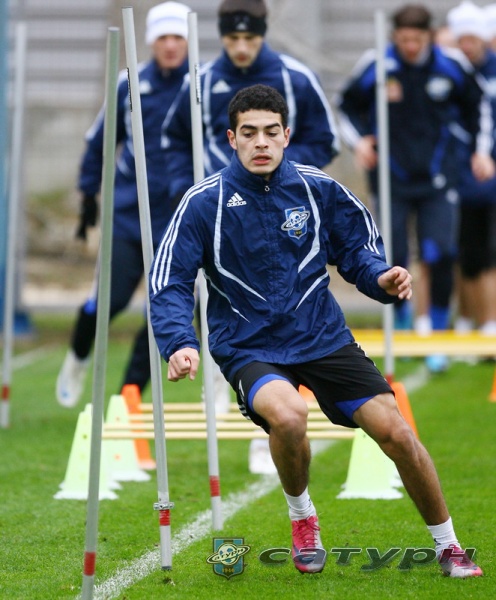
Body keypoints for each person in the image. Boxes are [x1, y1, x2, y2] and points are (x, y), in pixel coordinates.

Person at [149, 83, 483, 578]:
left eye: (270, 132)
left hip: (322, 337)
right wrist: (179, 341)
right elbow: (169, 280)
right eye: (249, 133)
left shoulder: (319, 188)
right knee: (289, 416)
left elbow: (358, 251)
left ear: (286, 135)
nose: (261, 142)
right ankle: (303, 517)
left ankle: (449, 546)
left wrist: (381, 278)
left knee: (396, 432)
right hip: (248, 344)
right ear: (231, 139)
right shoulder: (203, 202)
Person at [162, 0, 340, 472]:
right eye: (232, 38)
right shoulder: (199, 81)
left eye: (250, 38)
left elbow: (326, 139)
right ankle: (222, 388)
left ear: (263, 34)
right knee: (211, 302)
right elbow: (172, 138)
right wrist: (184, 187)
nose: (241, 48)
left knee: (280, 311)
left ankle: (269, 431)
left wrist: (283, 178)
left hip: (283, 216)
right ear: (221, 36)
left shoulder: (295, 77)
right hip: (217, 213)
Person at [335, 4, 494, 372]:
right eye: (403, 39)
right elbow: (345, 107)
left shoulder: (450, 65)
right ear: (395, 36)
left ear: (428, 36)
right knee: (394, 257)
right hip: (391, 179)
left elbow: (479, 106)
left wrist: (481, 151)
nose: (410, 46)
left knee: (441, 254)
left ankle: (436, 334)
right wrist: (360, 142)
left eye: (416, 40)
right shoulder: (377, 63)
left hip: (439, 179)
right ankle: (403, 323)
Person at [56, 2, 191, 407]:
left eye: (178, 37)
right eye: (163, 37)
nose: (170, 45)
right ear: (150, 41)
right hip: (128, 216)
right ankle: (78, 358)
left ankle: (127, 397)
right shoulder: (128, 83)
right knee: (107, 303)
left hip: (179, 220)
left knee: (162, 311)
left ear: (187, 42)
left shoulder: (201, 84)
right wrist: (88, 195)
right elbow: (99, 141)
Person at [447, 1, 496, 337]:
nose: (467, 46)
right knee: (465, 250)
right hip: (462, 173)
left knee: (483, 251)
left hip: (484, 172)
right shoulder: (453, 72)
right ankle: (469, 317)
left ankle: (486, 320)